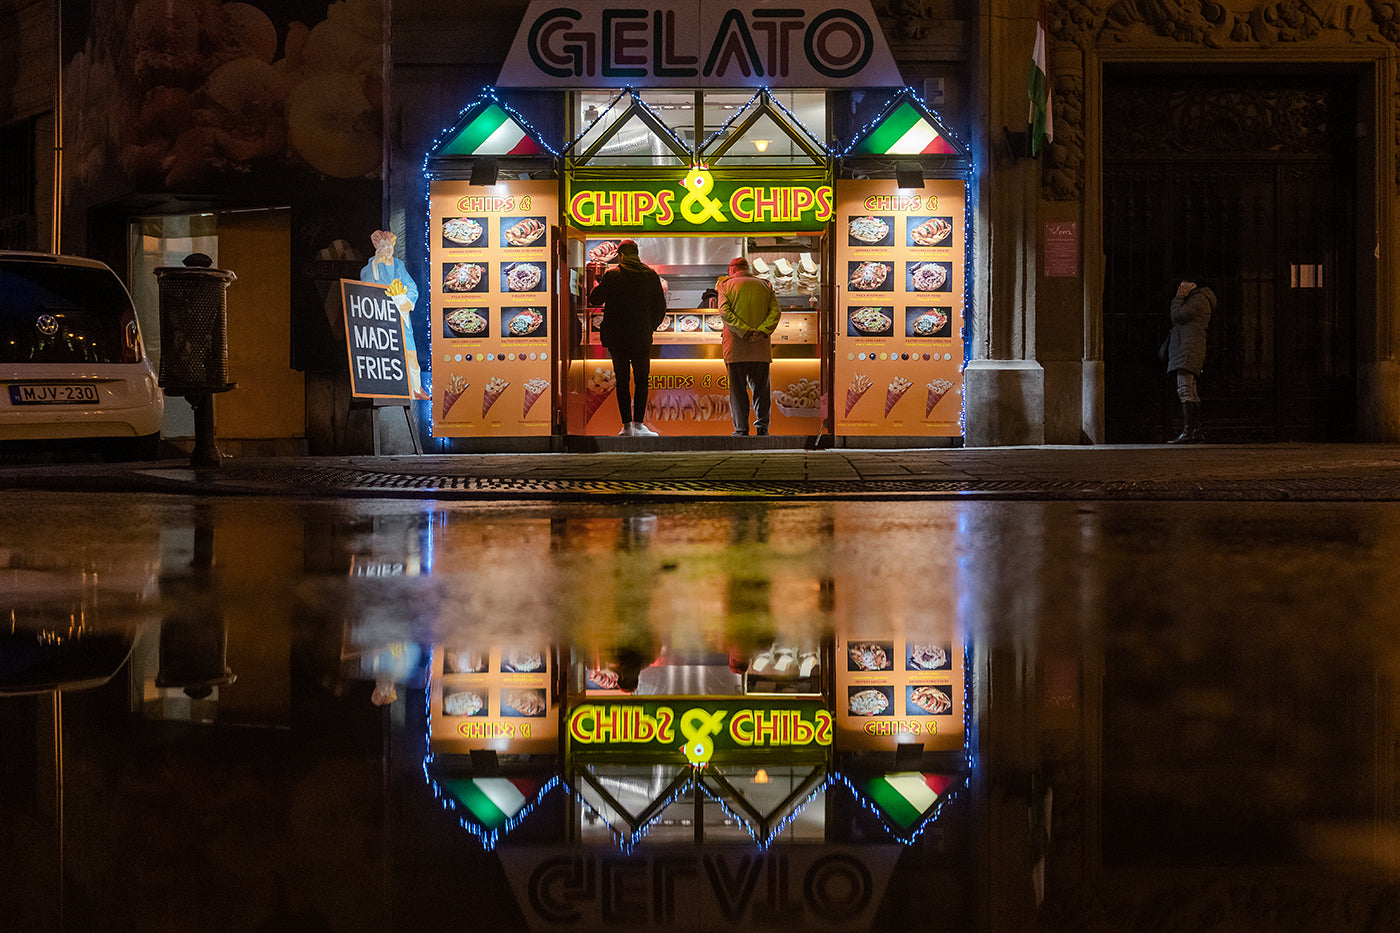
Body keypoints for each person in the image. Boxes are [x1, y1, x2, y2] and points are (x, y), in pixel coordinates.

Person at [588, 239, 667, 437]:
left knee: (622, 381)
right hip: (640, 336)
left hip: (617, 337)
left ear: (621, 255)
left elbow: (594, 299)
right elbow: (660, 308)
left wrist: (597, 284)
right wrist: (650, 327)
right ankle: (639, 425)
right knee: (642, 379)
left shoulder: (612, 275)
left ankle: (627, 427)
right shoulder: (650, 275)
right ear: (637, 254)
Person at [360, 230, 428, 399]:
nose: (388, 249)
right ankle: (387, 388)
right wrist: (375, 263)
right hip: (381, 319)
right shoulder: (370, 267)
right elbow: (366, 289)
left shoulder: (398, 265)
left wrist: (408, 301)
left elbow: (412, 287)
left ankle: (415, 388)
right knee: (384, 353)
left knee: (410, 351)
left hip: (401, 315)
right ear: (377, 247)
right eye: (385, 245)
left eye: (391, 245)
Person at [717, 257, 782, 435]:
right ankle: (762, 428)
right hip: (760, 347)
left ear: (732, 270)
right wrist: (761, 331)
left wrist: (744, 331)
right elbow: (776, 312)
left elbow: (724, 312)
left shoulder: (725, 285)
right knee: (761, 390)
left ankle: (741, 429)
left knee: (738, 391)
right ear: (747, 268)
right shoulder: (765, 285)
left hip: (736, 347)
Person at [1163, 274, 1216, 443]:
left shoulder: (1198, 300)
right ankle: (1195, 431)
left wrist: (1179, 297)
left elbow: (1177, 316)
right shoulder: (1201, 299)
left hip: (1188, 348)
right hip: (1188, 347)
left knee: (1185, 389)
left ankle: (1189, 432)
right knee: (1190, 391)